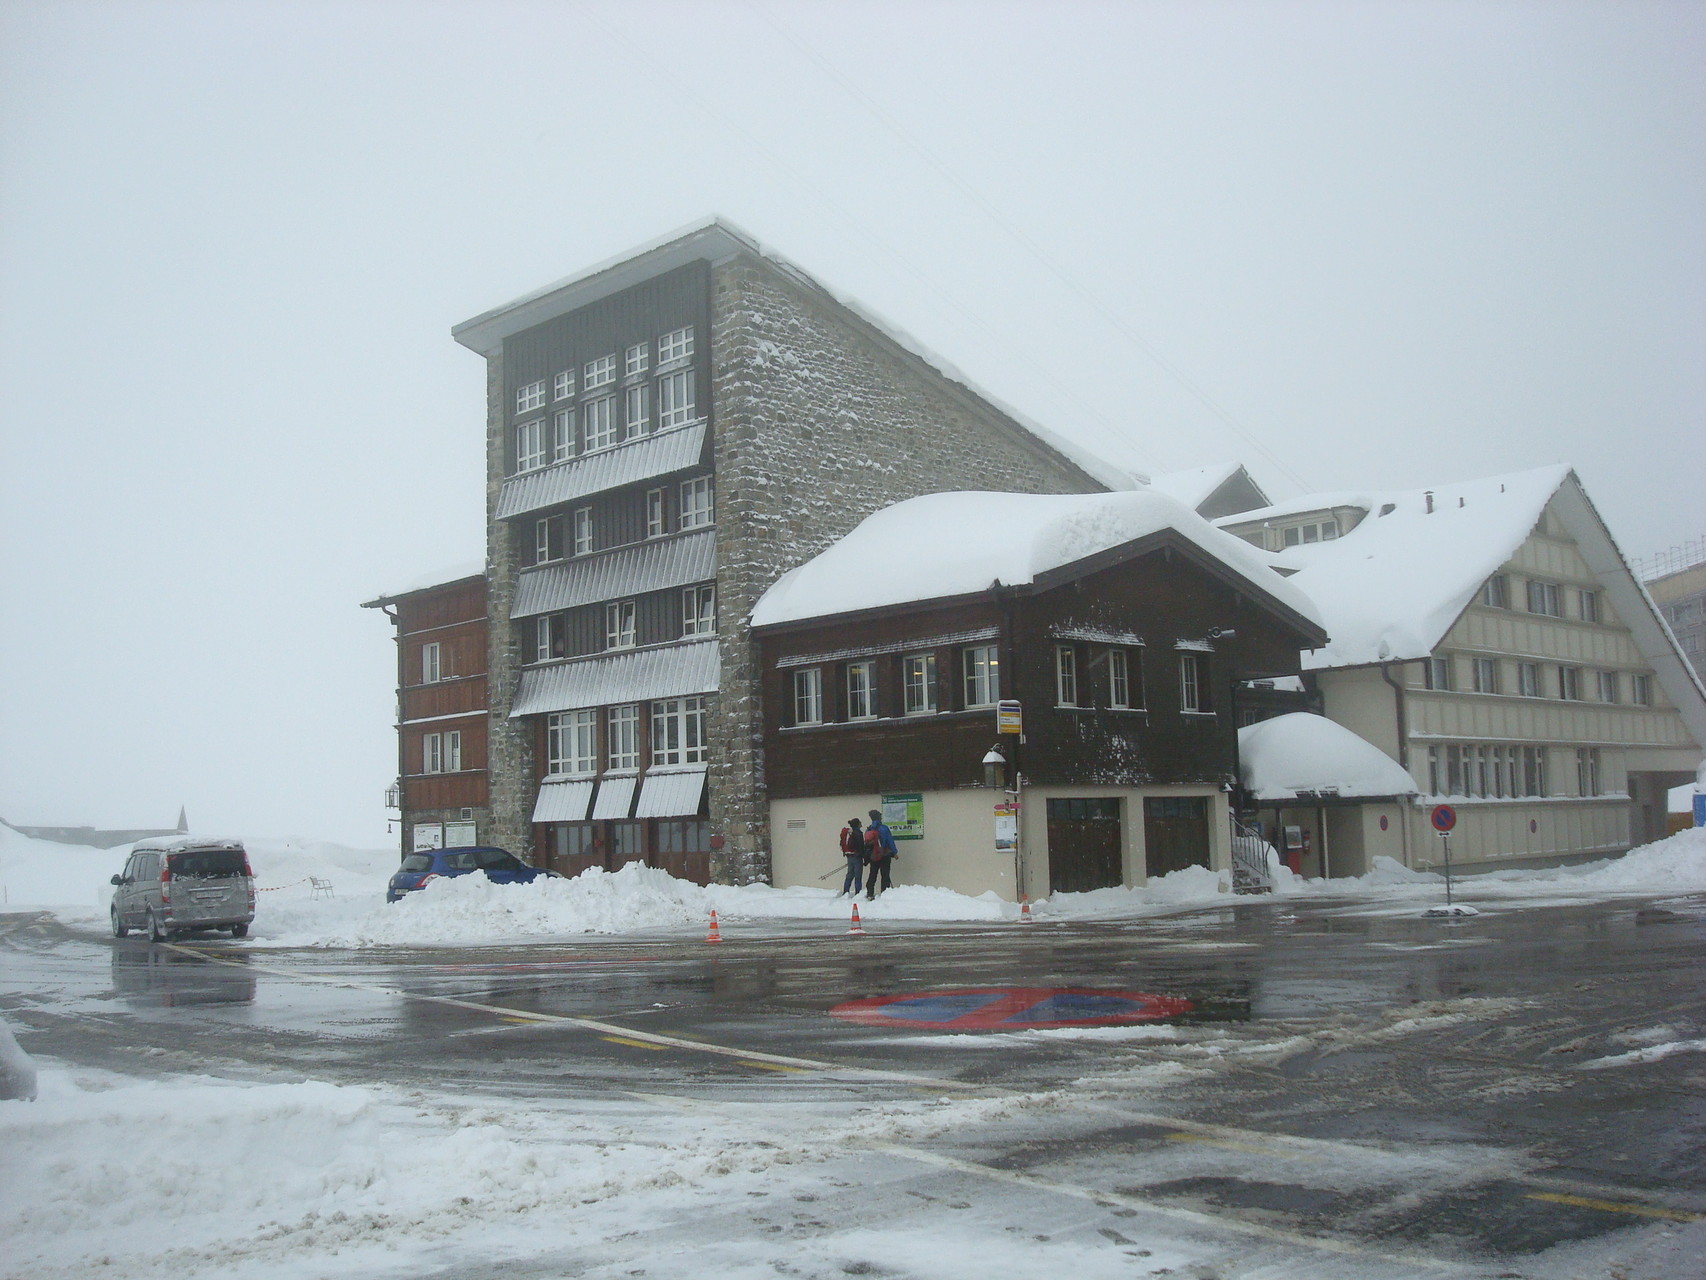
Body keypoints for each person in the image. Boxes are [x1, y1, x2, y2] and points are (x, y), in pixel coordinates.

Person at [864, 808, 897, 900]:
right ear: (879, 818)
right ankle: (884, 893)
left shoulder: (868, 830)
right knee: (885, 874)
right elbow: (890, 841)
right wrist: (894, 852)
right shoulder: (884, 828)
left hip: (874, 855)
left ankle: (870, 892)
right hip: (885, 854)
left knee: (873, 874)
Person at [837, 817, 865, 897]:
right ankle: (858, 893)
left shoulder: (849, 833)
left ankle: (846, 891)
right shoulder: (858, 833)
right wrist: (864, 857)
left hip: (849, 856)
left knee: (849, 874)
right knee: (858, 876)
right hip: (857, 856)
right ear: (858, 824)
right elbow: (861, 847)